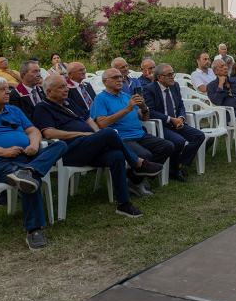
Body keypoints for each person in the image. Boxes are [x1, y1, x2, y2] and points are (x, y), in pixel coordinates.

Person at [32, 74, 164, 218]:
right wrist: (83, 135)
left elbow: (88, 119)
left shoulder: (69, 102)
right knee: (108, 132)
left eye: (66, 86)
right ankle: (138, 163)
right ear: (49, 92)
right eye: (61, 87)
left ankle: (124, 204)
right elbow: (49, 133)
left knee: (117, 155)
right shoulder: (42, 108)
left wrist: (96, 134)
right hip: (70, 151)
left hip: (89, 148)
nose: (67, 89)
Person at [0, 75, 67, 250]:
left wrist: (33, 144)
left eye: (8, 88)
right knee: (29, 182)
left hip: (25, 156)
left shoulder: (14, 110)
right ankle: (34, 230)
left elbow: (33, 130)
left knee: (60, 145)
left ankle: (30, 170)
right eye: (2, 89)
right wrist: (3, 151)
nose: (8, 92)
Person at [90, 68, 174, 197]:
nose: (120, 79)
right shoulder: (101, 99)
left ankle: (134, 178)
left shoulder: (126, 96)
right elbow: (101, 124)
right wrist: (128, 108)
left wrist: (144, 107)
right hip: (122, 138)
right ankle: (138, 180)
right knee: (145, 155)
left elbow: (144, 118)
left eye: (120, 77)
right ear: (105, 81)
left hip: (140, 134)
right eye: (115, 77)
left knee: (167, 146)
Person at [142, 63, 205, 181]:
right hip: (161, 125)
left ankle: (180, 164)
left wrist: (181, 118)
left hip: (177, 122)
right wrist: (171, 119)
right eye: (169, 75)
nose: (172, 77)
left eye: (173, 74)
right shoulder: (149, 89)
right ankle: (175, 170)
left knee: (199, 136)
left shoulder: (175, 85)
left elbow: (180, 105)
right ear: (159, 77)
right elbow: (151, 112)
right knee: (179, 141)